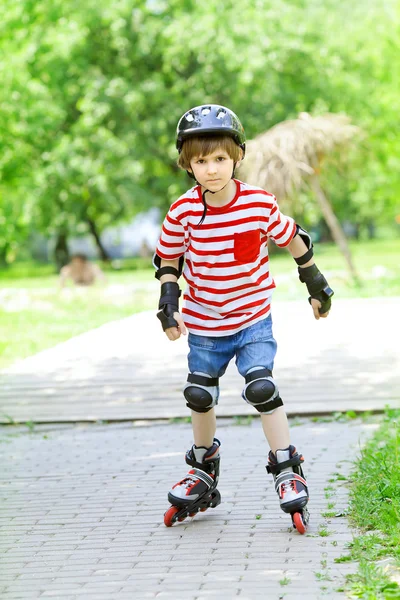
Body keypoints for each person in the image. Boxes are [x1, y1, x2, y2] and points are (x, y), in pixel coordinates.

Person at [153, 104, 333, 532]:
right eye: (200, 161)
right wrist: (167, 302)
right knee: (199, 394)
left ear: (237, 156)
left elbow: (294, 239)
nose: (211, 169)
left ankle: (287, 468)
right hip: (205, 324)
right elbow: (168, 258)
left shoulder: (258, 203)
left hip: (252, 317)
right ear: (187, 164)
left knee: (261, 385)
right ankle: (202, 468)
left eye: (219, 159)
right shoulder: (182, 212)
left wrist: (317, 285)